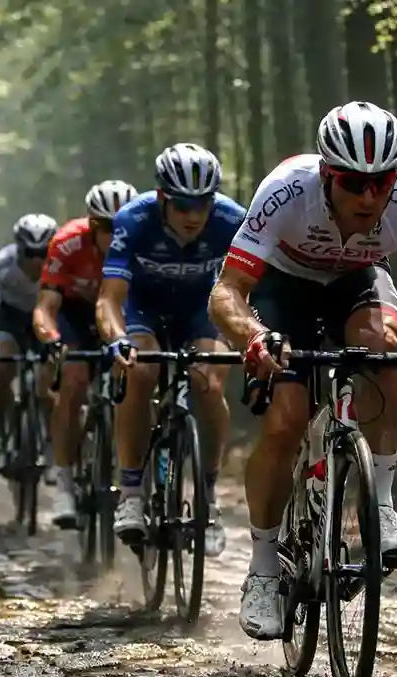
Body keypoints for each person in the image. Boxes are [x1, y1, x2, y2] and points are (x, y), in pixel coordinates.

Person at [207, 101, 397, 640]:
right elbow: (228, 292)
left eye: (382, 183)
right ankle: (262, 570)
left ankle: (380, 504)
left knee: (380, 349)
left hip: (358, 280)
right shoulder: (285, 190)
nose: (369, 196)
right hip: (285, 286)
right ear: (328, 175)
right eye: (354, 183)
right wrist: (254, 338)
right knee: (285, 416)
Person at [94, 144, 245, 559]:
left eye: (203, 203)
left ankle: (208, 502)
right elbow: (109, 299)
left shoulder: (233, 219)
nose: (194, 215)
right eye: (183, 205)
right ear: (163, 198)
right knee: (139, 372)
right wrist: (116, 338)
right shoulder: (133, 219)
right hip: (144, 308)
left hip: (202, 309)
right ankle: (131, 492)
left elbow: (253, 290)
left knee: (209, 383)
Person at [35, 180, 139, 527]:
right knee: (74, 381)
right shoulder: (66, 242)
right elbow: (46, 306)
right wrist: (50, 338)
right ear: (91, 225)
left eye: (120, 227)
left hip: (123, 311)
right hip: (77, 314)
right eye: (106, 228)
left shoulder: (143, 238)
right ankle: (64, 481)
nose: (114, 235)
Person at [0, 214, 60, 472]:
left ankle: (50, 444)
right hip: (10, 319)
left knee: (48, 383)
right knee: (2, 368)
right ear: (18, 248)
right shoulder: (1, 266)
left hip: (45, 318)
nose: (36, 260)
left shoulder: (60, 263)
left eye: (42, 253)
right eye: (29, 253)